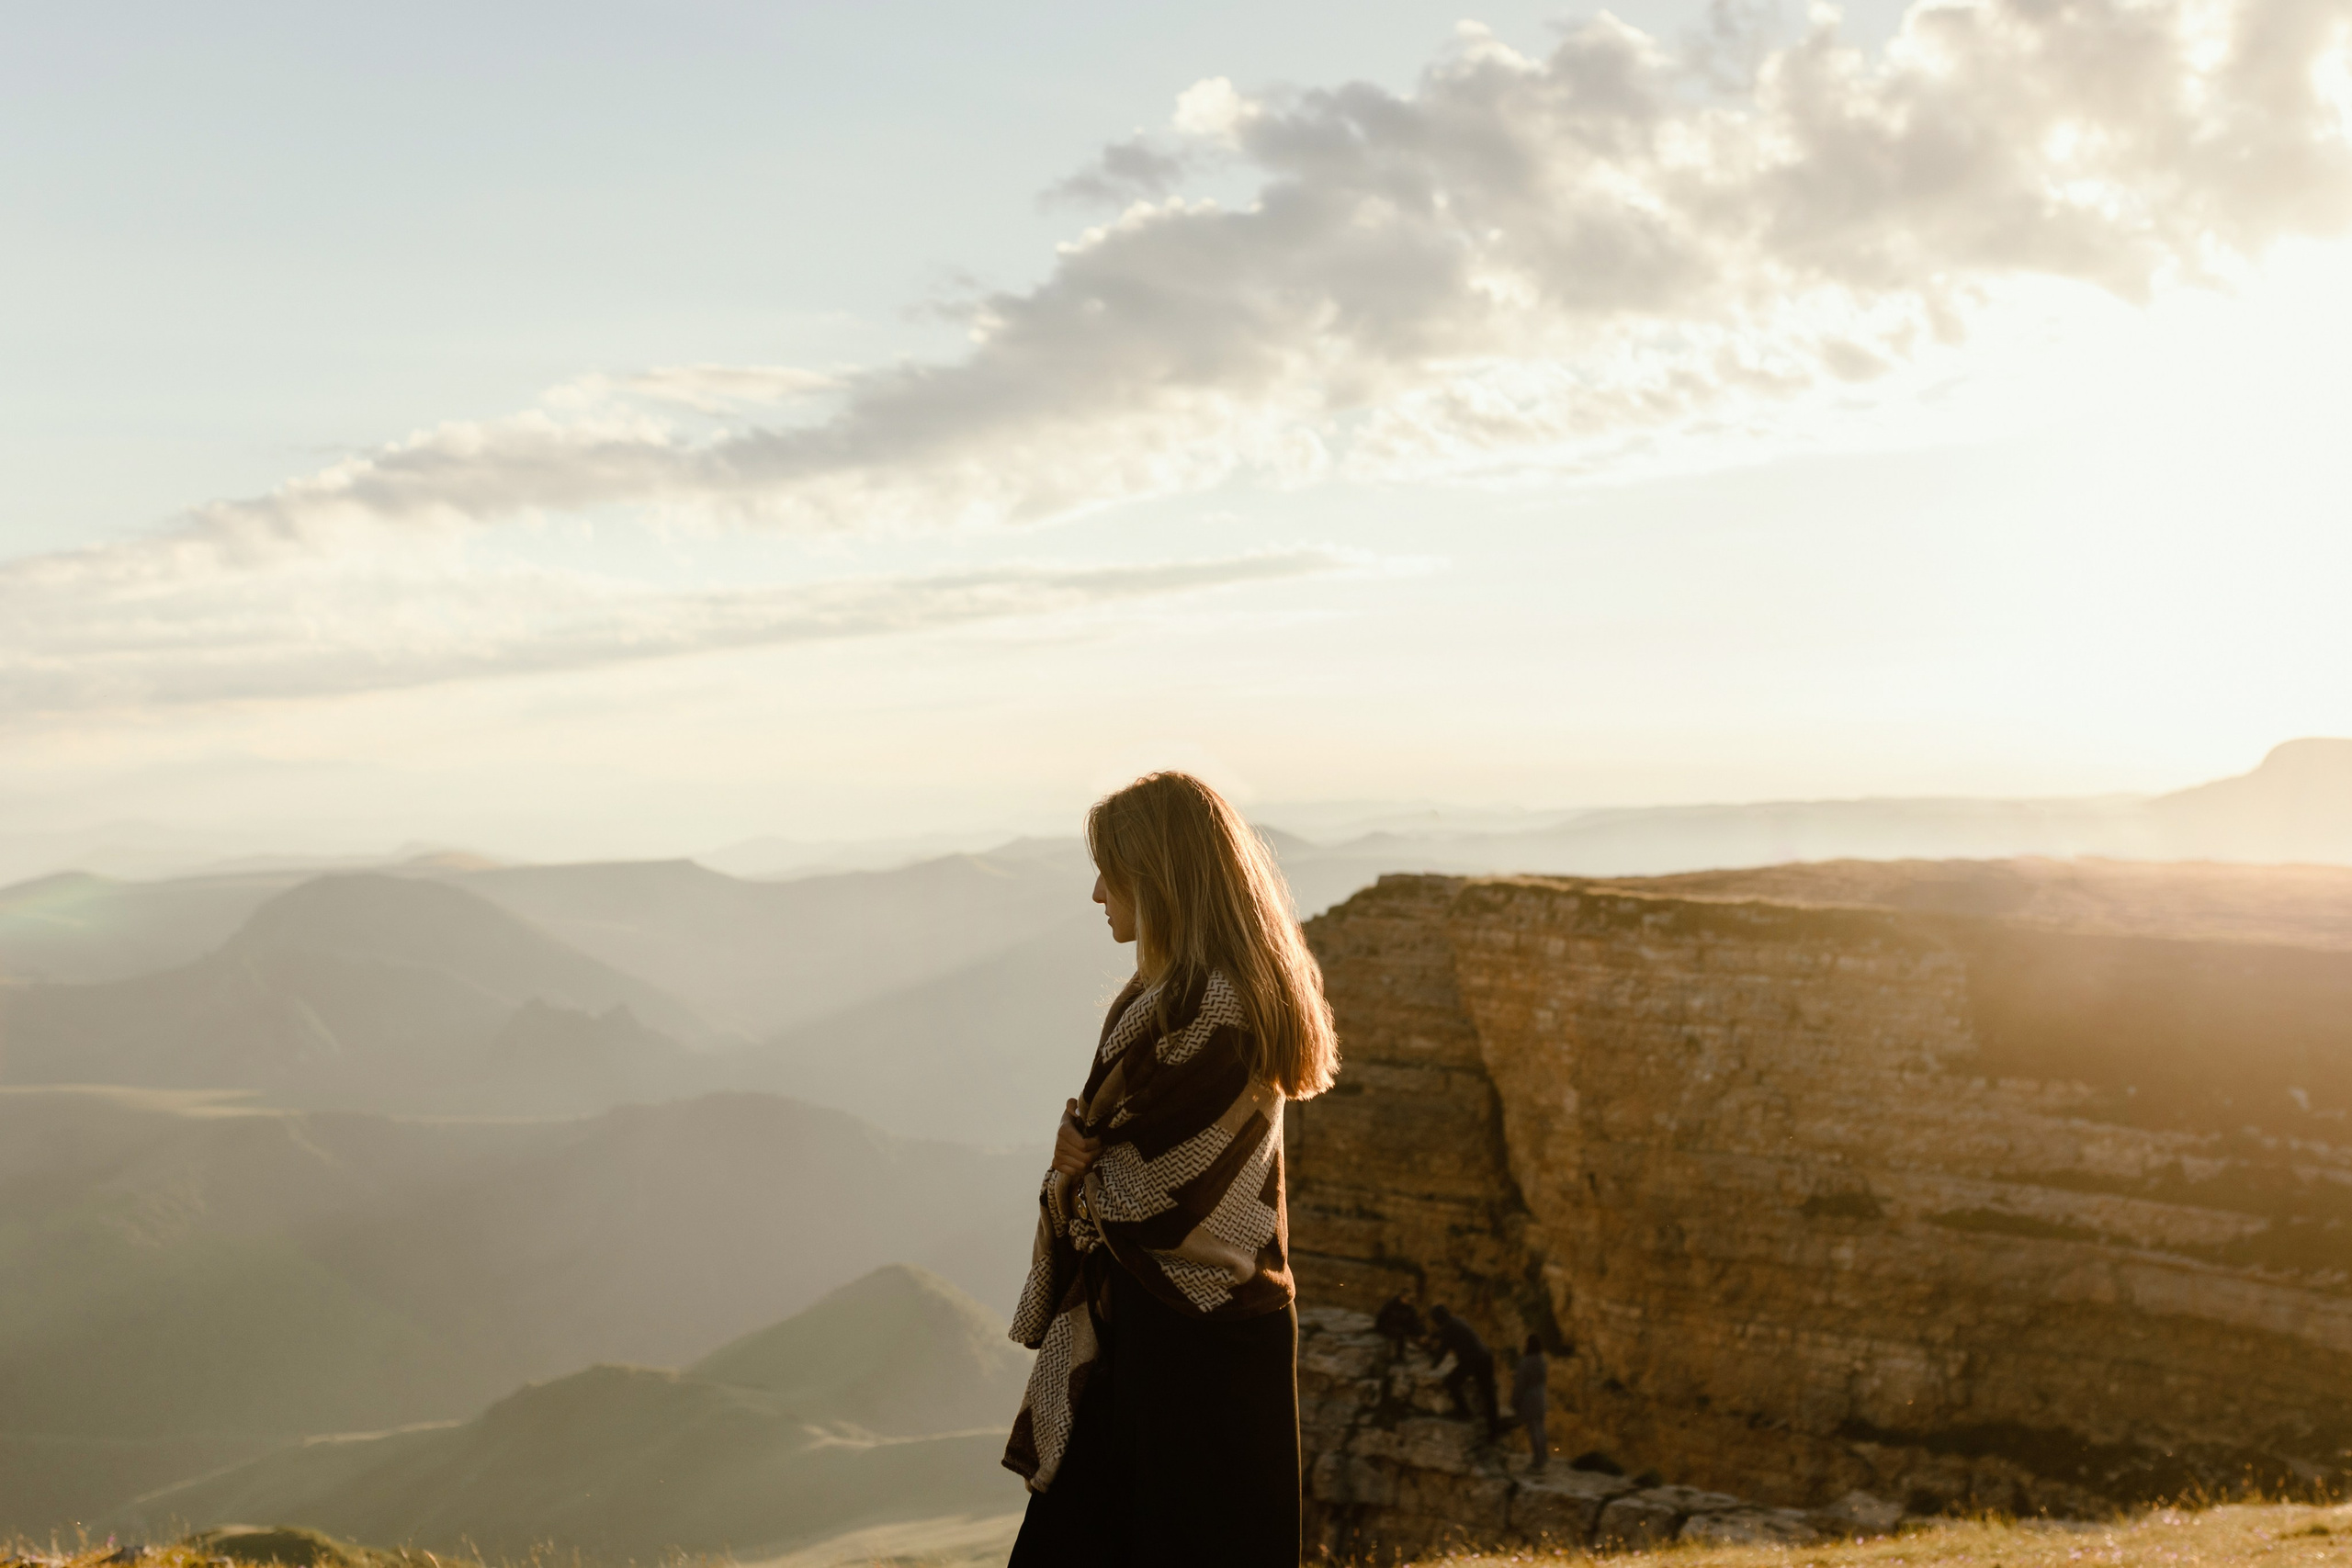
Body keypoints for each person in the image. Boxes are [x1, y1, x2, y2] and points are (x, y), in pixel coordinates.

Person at [1003, 771, 1342, 1568]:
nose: (1097, 894)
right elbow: (1122, 1158)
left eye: (1110, 873)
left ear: (1156, 877)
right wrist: (1080, 1161)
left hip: (1184, 1333)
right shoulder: (1183, 995)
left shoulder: (1207, 1007)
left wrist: (1074, 1168)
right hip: (1199, 1320)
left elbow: (1142, 1192)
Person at [1427, 1304, 1505, 1438]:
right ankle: (1494, 1431)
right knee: (1489, 1395)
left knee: (1451, 1382)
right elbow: (1446, 1334)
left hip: (1471, 1361)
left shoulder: (1448, 1328)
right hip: (1485, 1357)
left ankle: (1464, 1413)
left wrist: (1432, 1366)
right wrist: (1434, 1336)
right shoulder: (1457, 1320)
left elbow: (1442, 1350)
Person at [1513, 1334, 1550, 1472]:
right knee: (1540, 1428)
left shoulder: (1526, 1362)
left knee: (1534, 1430)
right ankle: (1544, 1456)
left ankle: (1538, 1462)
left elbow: (1520, 1385)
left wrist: (1515, 1401)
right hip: (1542, 1396)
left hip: (1530, 1398)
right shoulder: (1542, 1360)